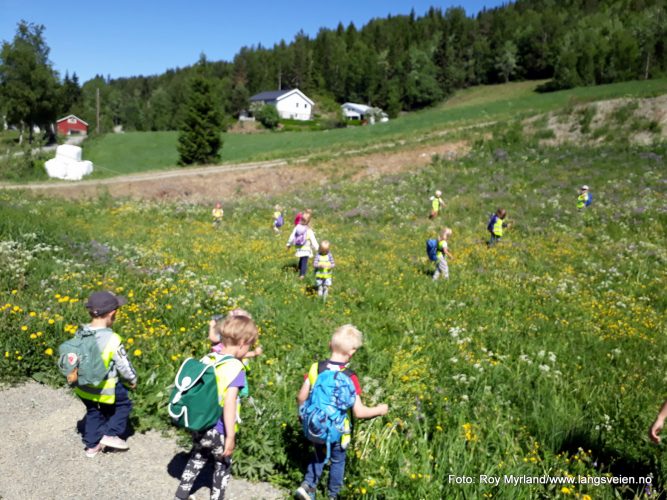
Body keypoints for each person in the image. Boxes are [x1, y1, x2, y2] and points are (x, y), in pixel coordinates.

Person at [295, 325, 389, 500]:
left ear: (330, 344)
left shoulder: (315, 368)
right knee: (338, 461)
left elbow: (301, 396)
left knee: (318, 454)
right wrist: (380, 409)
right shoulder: (350, 377)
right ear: (352, 352)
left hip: (315, 424)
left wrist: (302, 414)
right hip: (338, 430)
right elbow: (359, 412)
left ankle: (308, 486)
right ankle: (334, 495)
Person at [174, 315, 259, 500]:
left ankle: (181, 494)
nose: (249, 350)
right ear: (243, 343)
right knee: (223, 463)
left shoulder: (209, 357)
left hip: (199, 422)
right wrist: (230, 436)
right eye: (250, 345)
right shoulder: (236, 368)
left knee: (198, 455)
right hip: (219, 427)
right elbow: (229, 404)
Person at [75, 291, 138, 458]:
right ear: (112, 314)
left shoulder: (80, 332)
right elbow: (124, 365)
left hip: (83, 386)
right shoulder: (113, 339)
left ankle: (91, 446)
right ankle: (111, 434)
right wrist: (132, 379)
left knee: (93, 411)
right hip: (105, 387)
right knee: (124, 404)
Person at [287, 212, 319, 279]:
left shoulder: (297, 228)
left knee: (301, 258)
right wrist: (317, 248)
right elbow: (313, 240)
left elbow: (291, 237)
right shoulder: (309, 230)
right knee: (304, 261)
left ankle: (298, 269)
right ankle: (302, 275)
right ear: (309, 221)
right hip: (306, 248)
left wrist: (289, 244)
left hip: (299, 247)